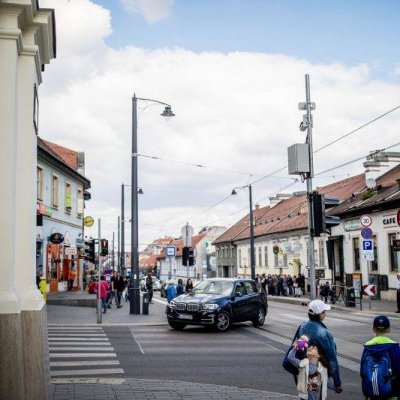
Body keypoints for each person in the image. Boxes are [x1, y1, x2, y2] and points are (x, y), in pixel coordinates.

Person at [296, 299, 343, 394]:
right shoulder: (324, 334)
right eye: (324, 312)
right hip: (318, 373)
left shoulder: (302, 326)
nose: (325, 313)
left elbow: (299, 348)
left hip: (304, 370)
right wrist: (337, 382)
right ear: (320, 314)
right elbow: (332, 359)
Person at [360, 315, 400, 399]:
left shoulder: (367, 347)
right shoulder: (395, 347)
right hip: (392, 391)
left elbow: (362, 371)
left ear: (373, 329)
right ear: (389, 329)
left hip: (373, 391)